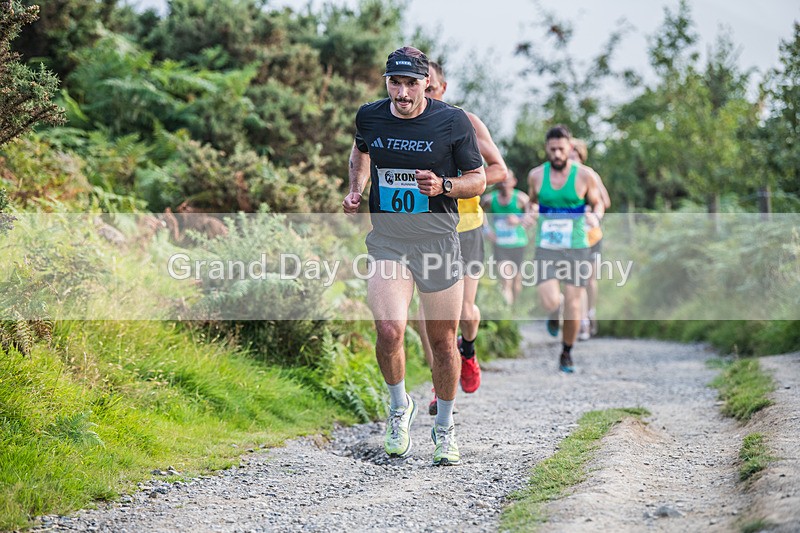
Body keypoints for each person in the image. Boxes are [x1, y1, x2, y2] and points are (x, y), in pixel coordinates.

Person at [342, 46, 486, 466]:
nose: (401, 93)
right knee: (389, 329)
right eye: (394, 82)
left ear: (427, 83)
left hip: (438, 242)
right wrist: (355, 187)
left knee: (442, 343)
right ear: (385, 81)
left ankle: (444, 428)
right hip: (388, 239)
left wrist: (443, 186)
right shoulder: (370, 115)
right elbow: (361, 150)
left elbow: (477, 180)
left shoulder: (452, 120)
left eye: (410, 83)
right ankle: (398, 407)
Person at [416, 60, 508, 416]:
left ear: (442, 87)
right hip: (425, 231)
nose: (424, 94)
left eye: (431, 87)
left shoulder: (464, 122)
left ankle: (467, 351)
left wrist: (460, 181)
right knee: (427, 318)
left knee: (464, 313)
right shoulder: (404, 126)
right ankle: (442, 387)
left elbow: (499, 169)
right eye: (418, 88)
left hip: (465, 229)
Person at [526, 125, 604, 373]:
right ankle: (553, 311)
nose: (557, 154)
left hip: (577, 245)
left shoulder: (584, 176)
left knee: (573, 303)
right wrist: (530, 213)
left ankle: (567, 352)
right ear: (546, 150)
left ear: (570, 147)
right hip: (547, 245)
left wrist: (596, 217)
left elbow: (598, 202)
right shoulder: (536, 176)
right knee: (549, 299)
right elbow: (532, 202)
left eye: (561, 149)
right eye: (552, 150)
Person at [568, 139, 611, 340]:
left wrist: (592, 213)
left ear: (581, 156)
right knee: (580, 280)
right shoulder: (562, 178)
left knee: (590, 281)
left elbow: (605, 202)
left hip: (592, 236)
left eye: (574, 156)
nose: (571, 159)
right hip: (572, 238)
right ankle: (582, 322)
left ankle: (590, 312)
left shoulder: (590, 175)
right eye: (569, 156)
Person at [481, 171, 532, 305]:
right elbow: (479, 211)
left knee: (516, 281)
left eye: (507, 181)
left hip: (518, 243)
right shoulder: (489, 199)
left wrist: (519, 220)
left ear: (513, 181)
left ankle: (515, 308)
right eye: (501, 181)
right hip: (500, 244)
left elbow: (532, 216)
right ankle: (507, 313)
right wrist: (487, 230)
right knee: (506, 279)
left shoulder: (521, 198)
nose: (504, 184)